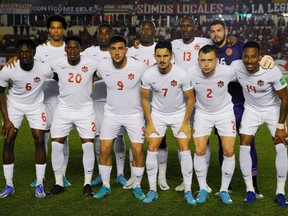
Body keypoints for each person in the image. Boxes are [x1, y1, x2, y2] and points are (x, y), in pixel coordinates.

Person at [209, 20, 262, 198]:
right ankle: (228, 185)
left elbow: (256, 59)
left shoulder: (240, 47)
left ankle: (254, 186)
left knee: (248, 144)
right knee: (224, 146)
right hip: (222, 108)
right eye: (212, 31)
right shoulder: (210, 52)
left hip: (241, 105)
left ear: (226, 31)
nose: (216, 34)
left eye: (219, 30)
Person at [232, 41, 288, 207]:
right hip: (251, 110)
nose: (249, 60)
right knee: (243, 145)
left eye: (253, 56)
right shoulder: (237, 66)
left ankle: (280, 192)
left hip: (273, 111)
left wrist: (280, 126)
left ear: (259, 56)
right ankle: (250, 189)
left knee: (281, 145)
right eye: (246, 56)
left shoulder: (271, 70)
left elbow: (285, 98)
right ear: (242, 56)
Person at [93, 35, 147, 200]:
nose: (117, 52)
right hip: (112, 114)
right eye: (113, 49)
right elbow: (91, 76)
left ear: (126, 50)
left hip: (134, 115)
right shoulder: (103, 66)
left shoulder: (139, 66)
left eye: (120, 48)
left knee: (137, 151)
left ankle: (137, 185)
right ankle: (106, 186)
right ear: (109, 50)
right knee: (104, 149)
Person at [140, 41, 195, 204]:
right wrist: (150, 123)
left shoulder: (181, 74)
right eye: (159, 56)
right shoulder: (149, 74)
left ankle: (188, 190)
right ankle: (152, 190)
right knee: (151, 148)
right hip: (158, 115)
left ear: (171, 56)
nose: (162, 59)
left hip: (179, 115)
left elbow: (190, 99)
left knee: (184, 149)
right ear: (154, 56)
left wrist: (186, 122)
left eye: (165, 56)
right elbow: (144, 98)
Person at [0, 39, 53, 198]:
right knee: (9, 140)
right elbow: (0, 92)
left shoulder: (43, 68)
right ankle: (9, 185)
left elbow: (58, 74)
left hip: (36, 106)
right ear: (17, 53)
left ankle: (39, 184)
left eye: (27, 52)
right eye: (21, 52)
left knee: (39, 140)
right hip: (14, 106)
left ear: (33, 53)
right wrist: (6, 119)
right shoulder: (8, 69)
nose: (24, 55)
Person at [47, 36, 97, 196]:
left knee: (88, 145)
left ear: (80, 48)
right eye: (70, 47)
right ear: (65, 49)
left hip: (85, 110)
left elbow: (109, 68)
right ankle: (58, 183)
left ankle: (87, 183)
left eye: (76, 47)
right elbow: (38, 68)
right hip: (64, 110)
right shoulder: (56, 63)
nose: (73, 50)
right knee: (56, 145)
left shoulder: (91, 63)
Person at [187, 45, 236, 204]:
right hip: (202, 113)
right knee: (200, 150)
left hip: (225, 113)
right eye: (203, 60)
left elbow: (247, 72)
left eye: (210, 60)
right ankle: (202, 189)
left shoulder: (227, 71)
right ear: (198, 61)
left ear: (216, 61)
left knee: (228, 151)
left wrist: (265, 62)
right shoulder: (190, 72)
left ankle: (223, 190)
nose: (206, 64)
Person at [171, 16, 213, 192]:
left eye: (189, 25)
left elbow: (221, 44)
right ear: (180, 28)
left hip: (202, 95)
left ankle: (204, 179)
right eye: (183, 25)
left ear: (195, 27)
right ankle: (185, 178)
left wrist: (232, 39)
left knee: (204, 139)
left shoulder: (204, 41)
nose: (186, 28)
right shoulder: (174, 44)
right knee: (184, 138)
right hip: (183, 98)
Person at [82, 23, 127, 187]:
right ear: (97, 36)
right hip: (97, 101)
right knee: (99, 137)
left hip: (117, 101)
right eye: (100, 33)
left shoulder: (118, 50)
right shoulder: (88, 53)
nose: (103, 36)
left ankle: (121, 173)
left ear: (112, 34)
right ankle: (102, 173)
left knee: (119, 137)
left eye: (107, 33)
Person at [128, 20, 170, 191]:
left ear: (154, 31)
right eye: (142, 28)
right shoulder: (131, 50)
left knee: (161, 139)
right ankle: (133, 175)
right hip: (135, 101)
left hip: (158, 101)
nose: (145, 31)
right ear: (139, 31)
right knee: (134, 139)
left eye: (149, 28)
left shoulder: (160, 49)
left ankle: (162, 176)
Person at [32, 14, 71, 188]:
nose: (56, 30)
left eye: (59, 28)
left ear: (64, 30)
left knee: (64, 139)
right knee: (43, 138)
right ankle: (42, 175)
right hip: (44, 98)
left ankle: (62, 175)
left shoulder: (70, 48)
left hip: (63, 99)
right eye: (53, 27)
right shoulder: (40, 50)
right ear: (49, 29)